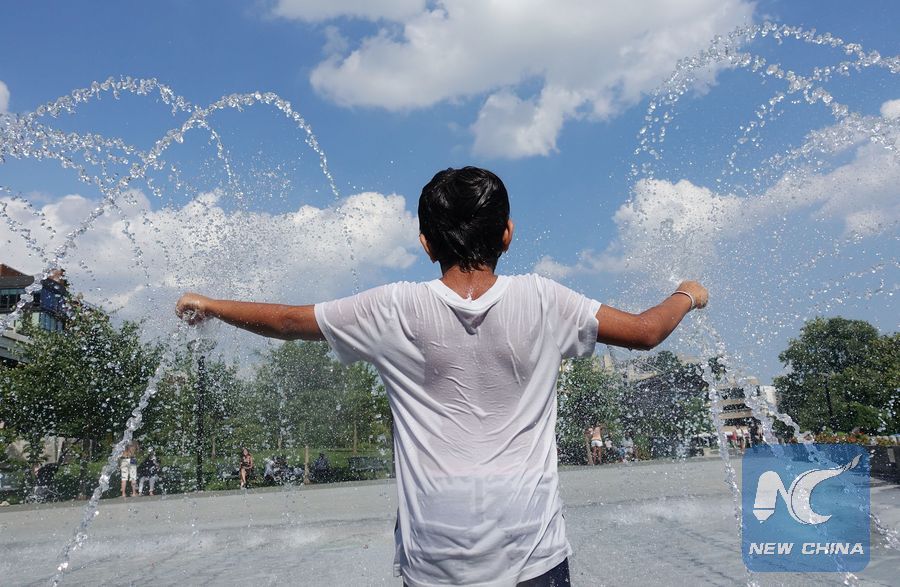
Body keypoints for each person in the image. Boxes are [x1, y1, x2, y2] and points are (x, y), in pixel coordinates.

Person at [176, 166, 708, 586]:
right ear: (507, 234)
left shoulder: (393, 308)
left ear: (426, 243)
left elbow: (291, 322)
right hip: (534, 555)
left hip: (434, 561)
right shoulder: (545, 300)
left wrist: (213, 305)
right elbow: (645, 332)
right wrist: (687, 293)